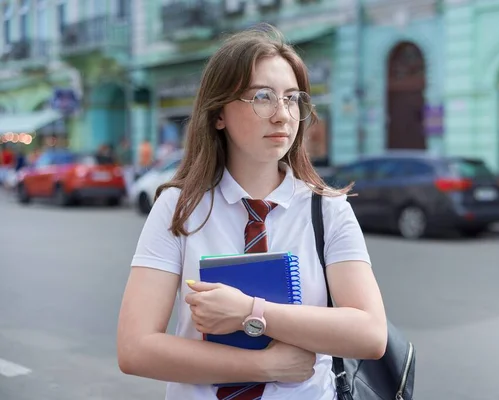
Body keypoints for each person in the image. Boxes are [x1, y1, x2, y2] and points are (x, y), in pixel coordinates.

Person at [117, 24, 387, 400]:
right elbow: (135, 348)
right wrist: (265, 366)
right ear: (218, 114)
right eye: (262, 97)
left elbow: (371, 334)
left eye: (292, 98)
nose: (282, 115)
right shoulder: (179, 207)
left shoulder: (327, 210)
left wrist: (250, 310)